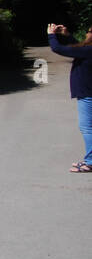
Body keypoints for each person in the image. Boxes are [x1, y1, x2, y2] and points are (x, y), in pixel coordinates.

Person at [47, 22, 92, 173]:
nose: (87, 34)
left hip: (87, 94)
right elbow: (78, 49)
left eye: (89, 31)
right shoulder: (87, 50)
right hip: (87, 93)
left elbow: (58, 49)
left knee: (87, 128)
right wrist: (67, 36)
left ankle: (90, 162)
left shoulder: (89, 50)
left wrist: (51, 35)